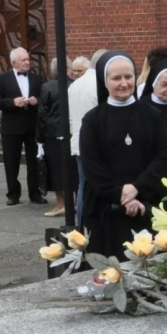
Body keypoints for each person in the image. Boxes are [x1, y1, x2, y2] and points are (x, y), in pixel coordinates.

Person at [78, 53, 167, 258]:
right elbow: (92, 166)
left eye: (128, 77)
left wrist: (137, 188)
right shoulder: (93, 120)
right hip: (106, 209)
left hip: (146, 205)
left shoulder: (153, 115)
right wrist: (121, 195)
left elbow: (162, 157)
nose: (124, 83)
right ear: (105, 81)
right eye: (116, 78)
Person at [0, 47, 45, 206]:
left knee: (33, 161)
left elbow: (43, 97)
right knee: (11, 161)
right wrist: (12, 102)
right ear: (13, 62)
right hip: (11, 126)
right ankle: (13, 194)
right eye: (24, 60)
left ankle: (35, 193)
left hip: (31, 125)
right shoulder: (2, 78)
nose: (28, 62)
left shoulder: (36, 78)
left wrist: (36, 101)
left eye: (28, 59)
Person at [67, 48, 105, 225]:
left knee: (83, 186)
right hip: (97, 142)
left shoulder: (74, 85)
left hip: (77, 140)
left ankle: (81, 225)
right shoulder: (99, 83)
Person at [38, 58, 77, 218]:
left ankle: (61, 203)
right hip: (72, 132)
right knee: (73, 168)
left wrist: (39, 136)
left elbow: (42, 113)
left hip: (53, 134)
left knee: (55, 170)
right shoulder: (74, 86)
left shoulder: (47, 87)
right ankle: (74, 202)